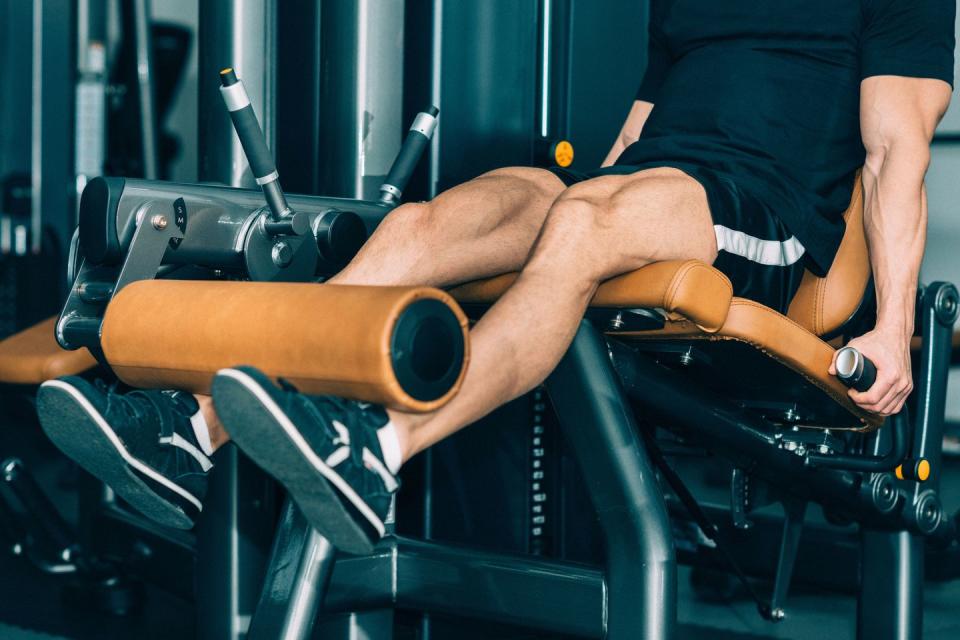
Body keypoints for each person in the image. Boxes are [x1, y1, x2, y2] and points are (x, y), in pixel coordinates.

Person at [37, 0, 955, 554]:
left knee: (585, 220)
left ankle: (379, 455)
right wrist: (569, 215)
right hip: (647, 187)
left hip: (760, 215)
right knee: (422, 224)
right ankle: (187, 440)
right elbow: (638, 132)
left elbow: (894, 152)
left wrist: (895, 329)